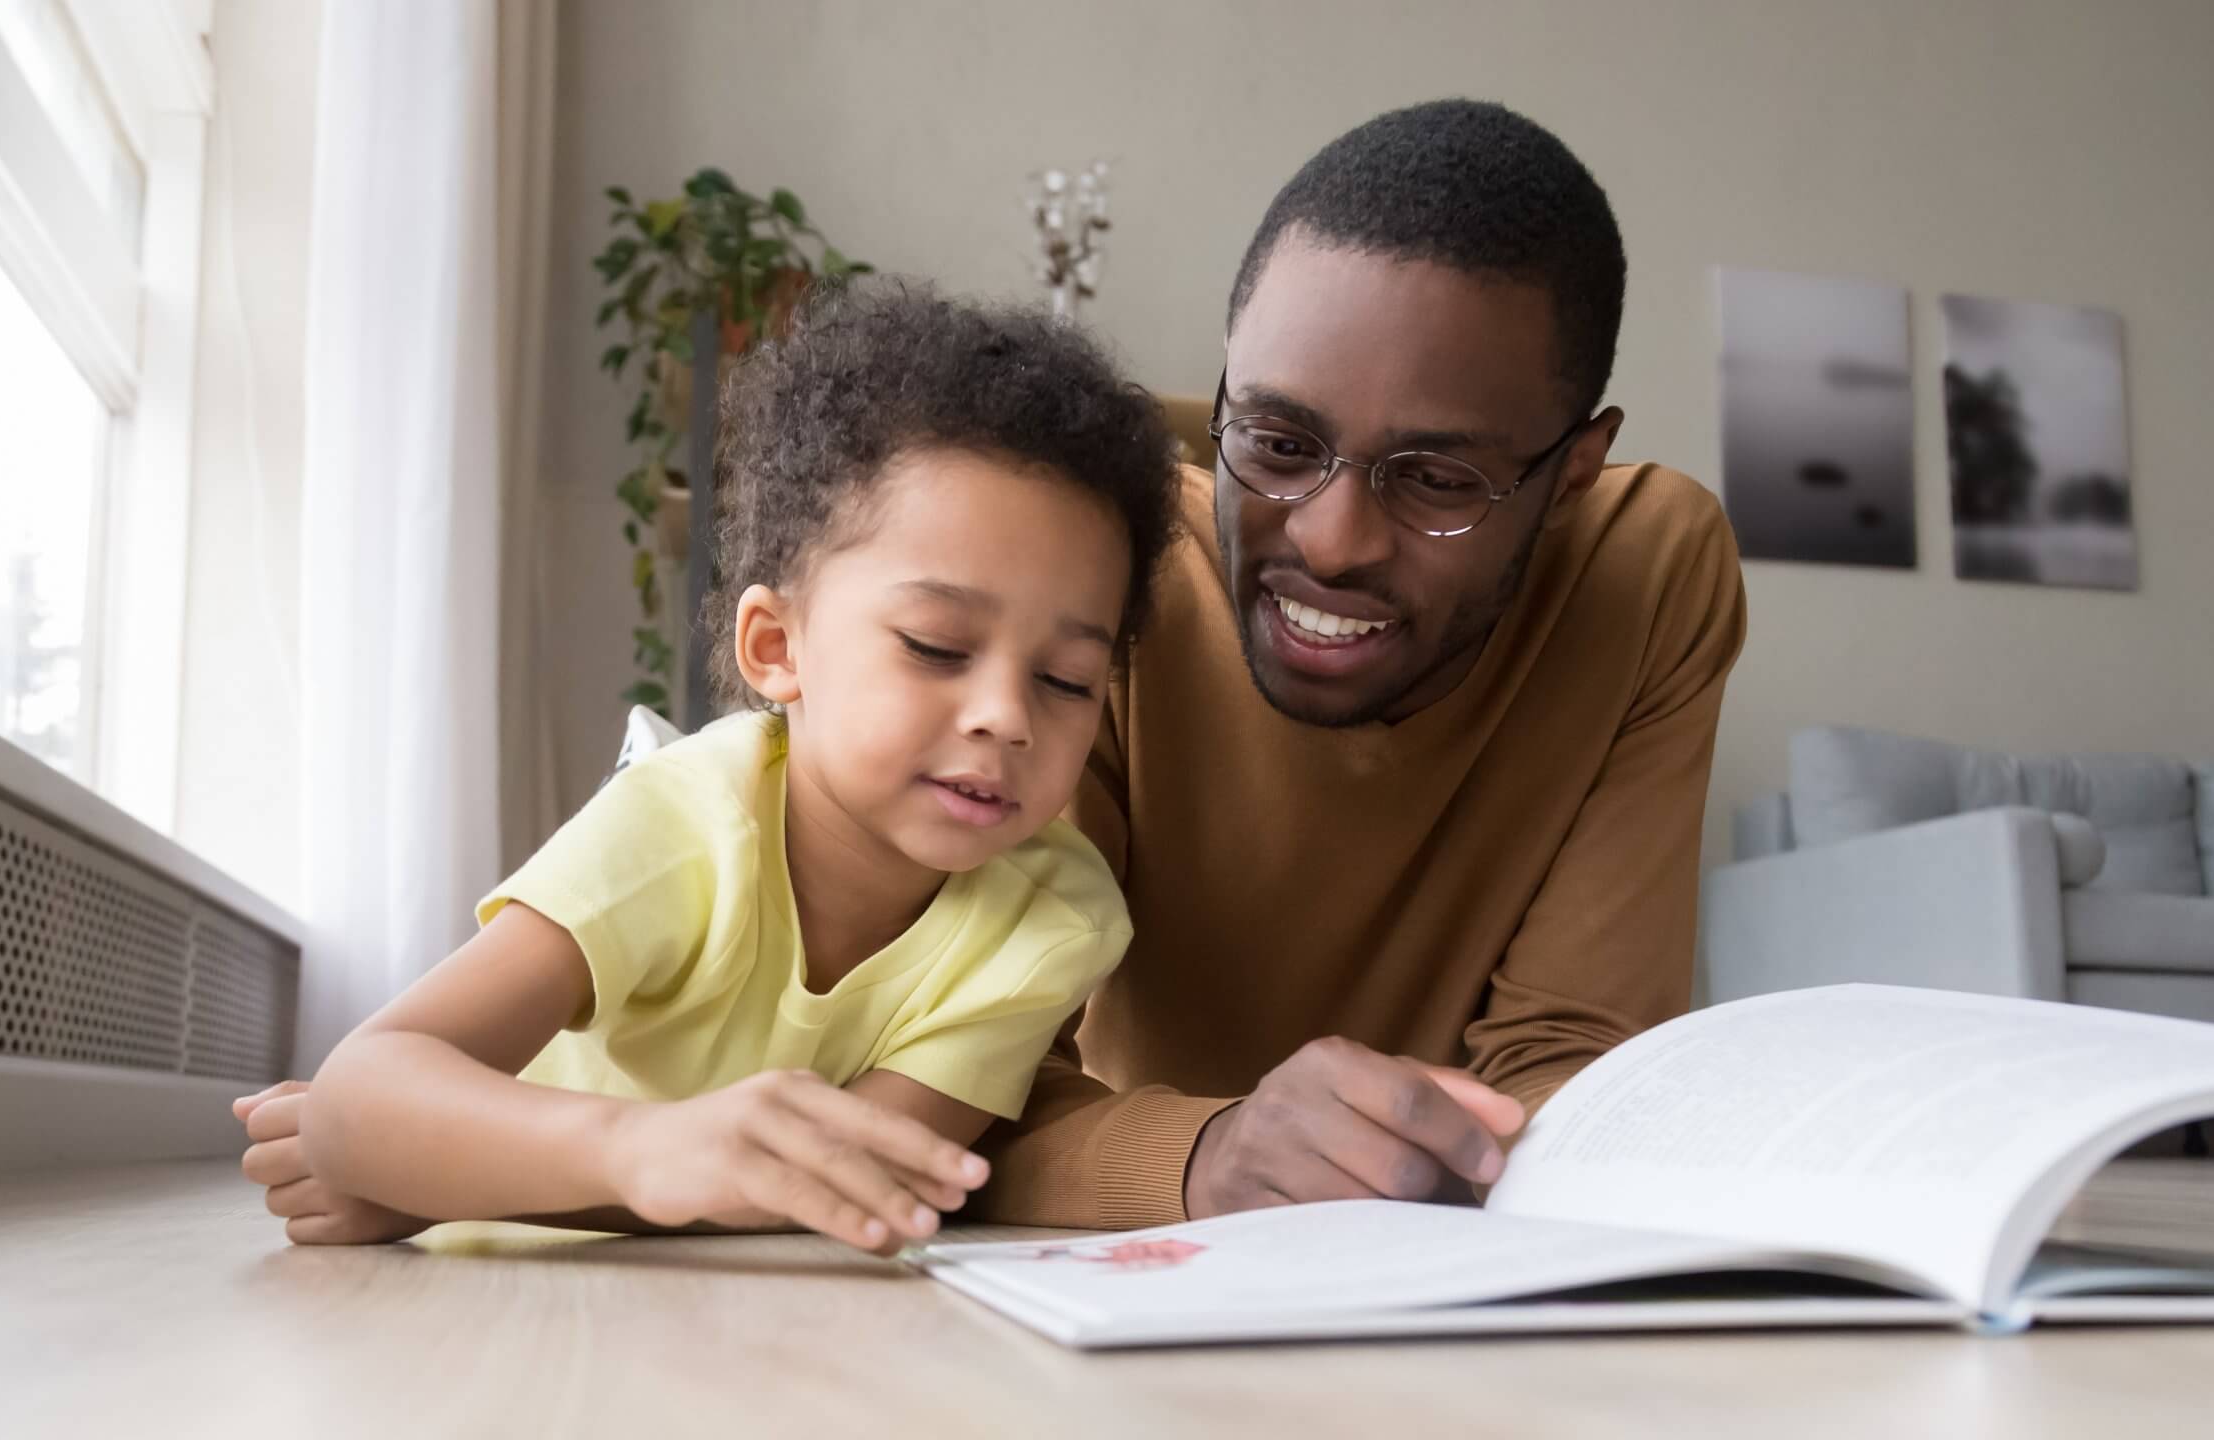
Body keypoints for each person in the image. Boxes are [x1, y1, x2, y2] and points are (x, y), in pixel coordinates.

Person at [240, 97, 1747, 1235]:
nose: (1334, 541)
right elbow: (943, 1136)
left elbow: (899, 1159)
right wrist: (501, 1160)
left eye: (1438, 480)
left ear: (1575, 469)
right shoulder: (1102, 568)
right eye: (1276, 444)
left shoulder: (1648, 571)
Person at [236, 281, 1178, 1253]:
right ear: (776, 647)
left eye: (1067, 679)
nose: (1004, 716)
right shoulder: (687, 819)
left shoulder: (1056, 916)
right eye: (937, 646)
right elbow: (360, 1092)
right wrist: (634, 1153)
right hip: (503, 1322)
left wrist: (450, 1179)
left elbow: (866, 1187)